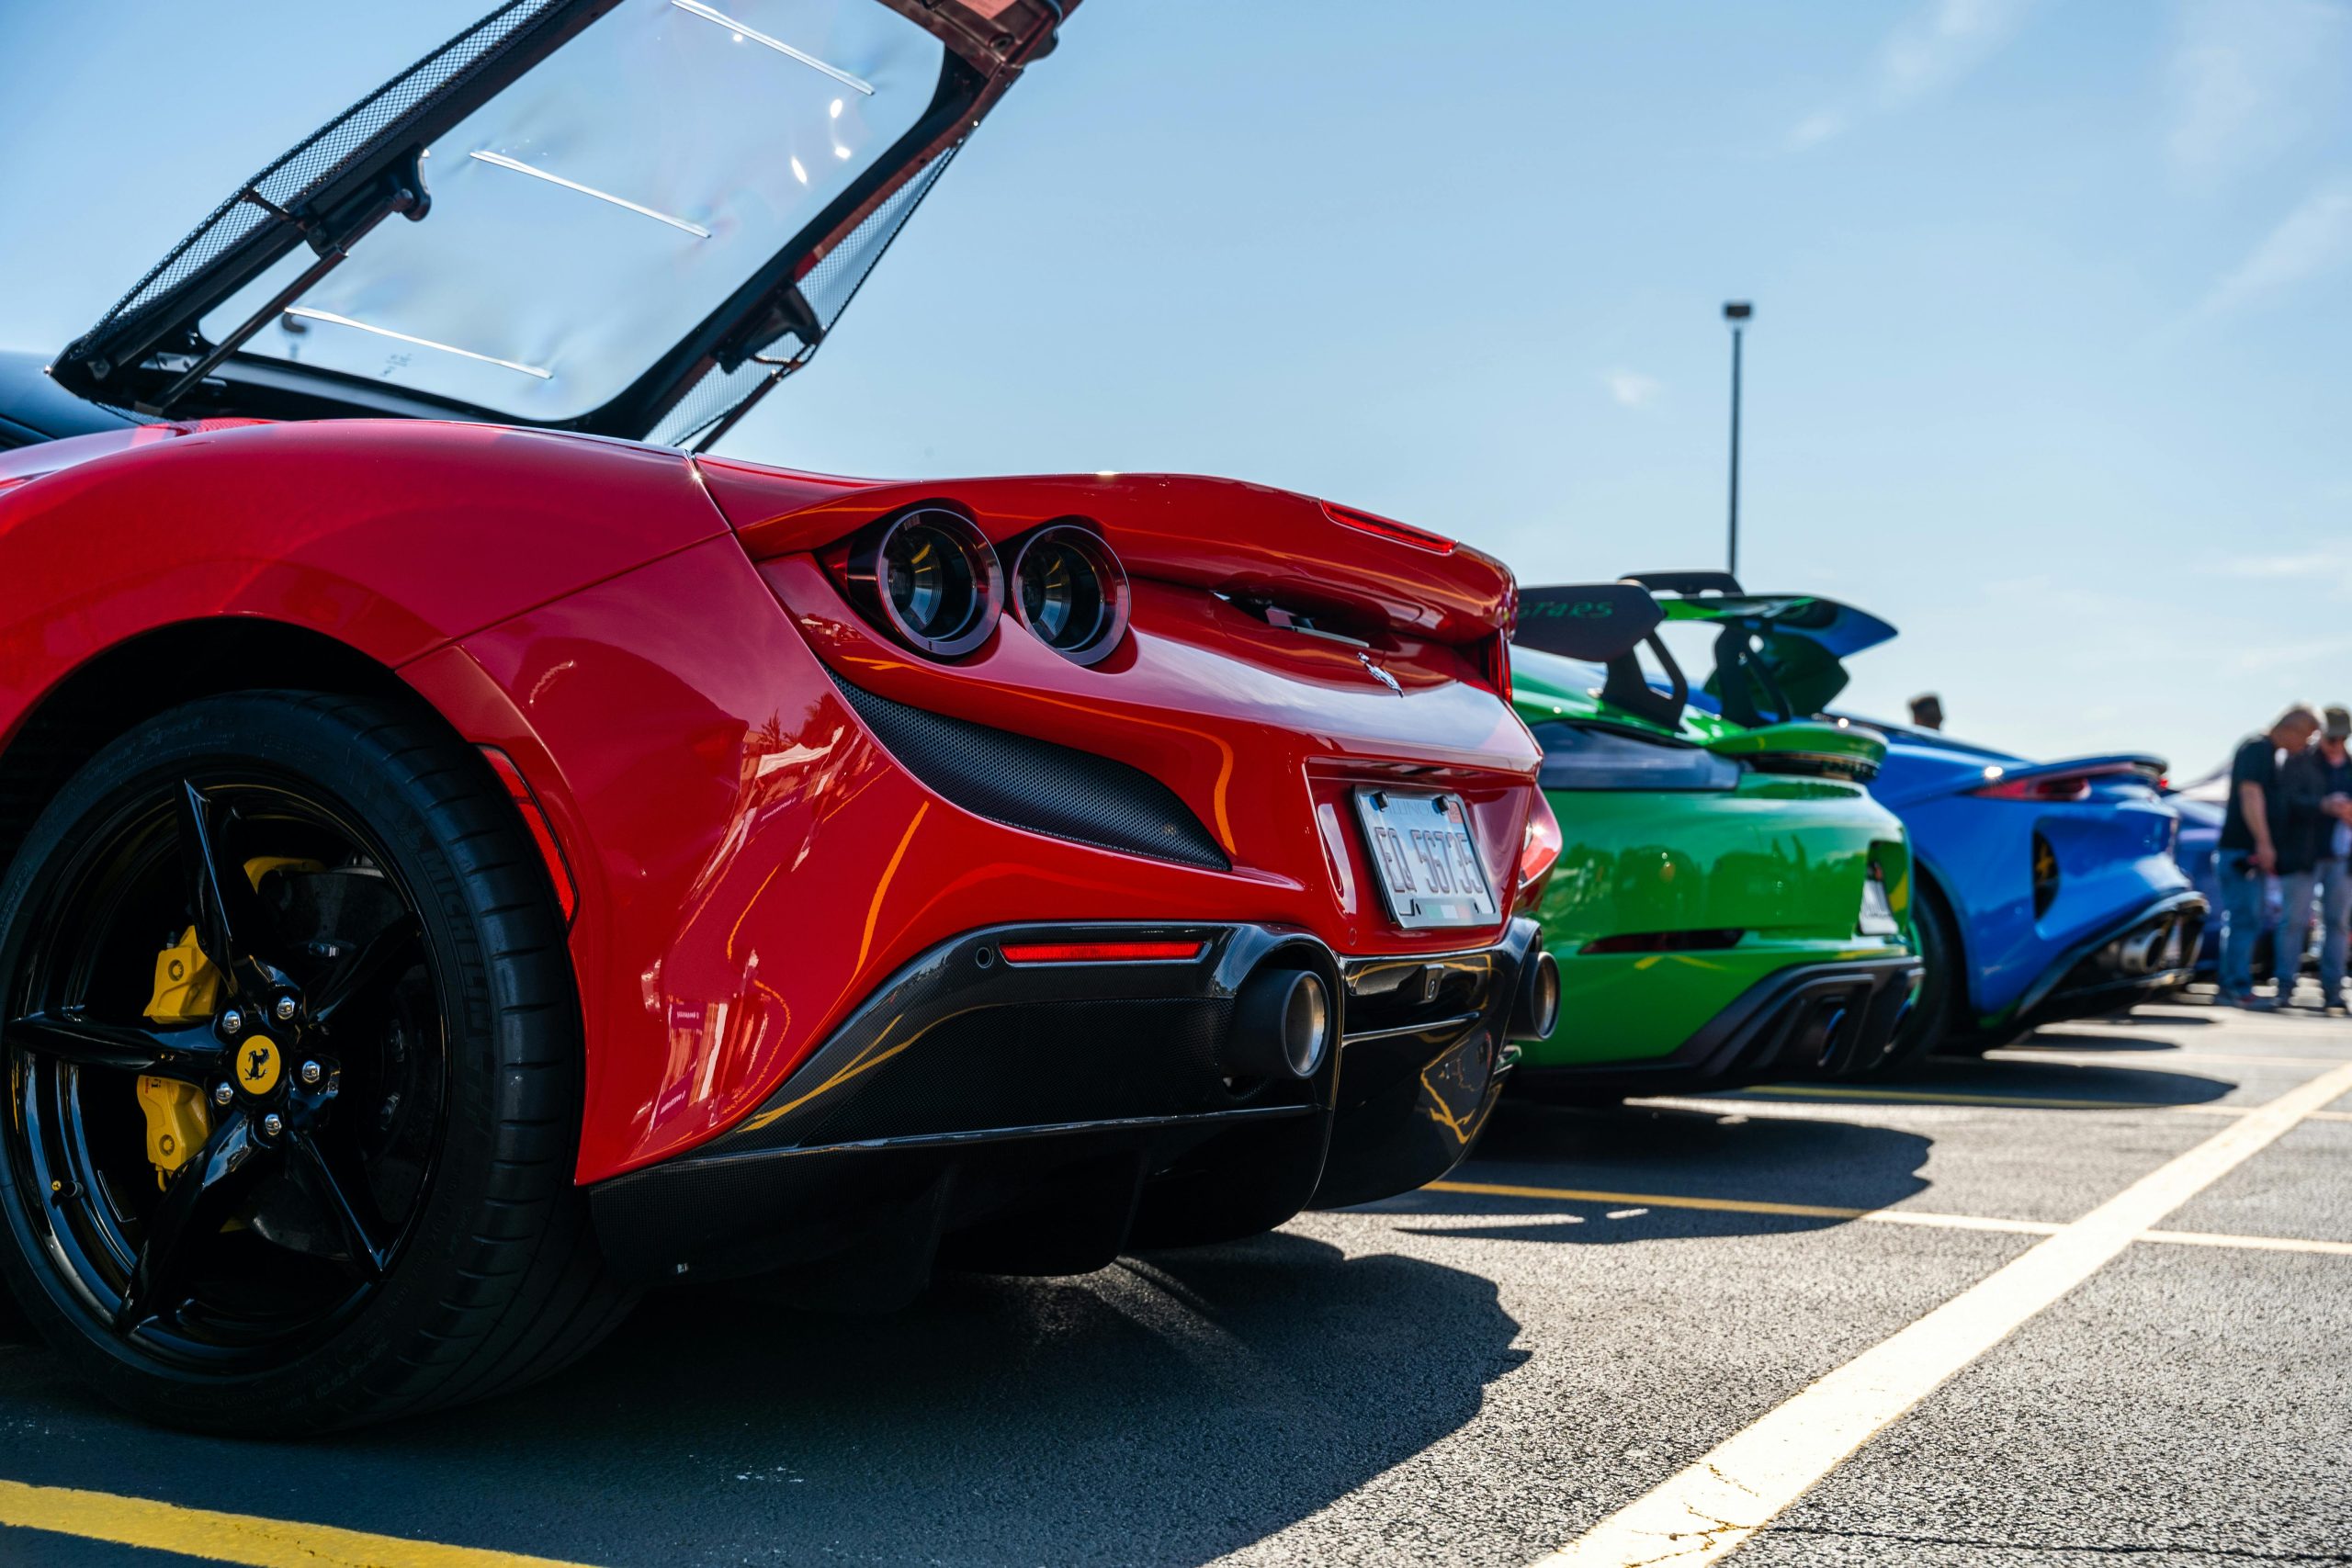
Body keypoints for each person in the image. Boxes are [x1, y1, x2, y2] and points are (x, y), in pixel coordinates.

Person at [2216, 705, 2322, 1007]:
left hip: (2245, 851)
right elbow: (2251, 795)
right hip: (2242, 851)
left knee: (2246, 920)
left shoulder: (2268, 752)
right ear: (2291, 729)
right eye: (2306, 737)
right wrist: (2264, 844)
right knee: (2244, 920)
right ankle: (2235, 988)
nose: (2306, 745)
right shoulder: (2257, 748)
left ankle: (2234, 985)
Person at [2271, 705, 2352, 1014]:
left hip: (2342, 857)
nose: (2337, 744)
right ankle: (2284, 986)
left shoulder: (2350, 766)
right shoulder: (2299, 761)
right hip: (2304, 854)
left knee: (2338, 923)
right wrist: (2323, 805)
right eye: (2332, 738)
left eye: (2343, 738)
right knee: (2293, 921)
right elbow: (2286, 803)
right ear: (2320, 735)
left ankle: (2334, 991)